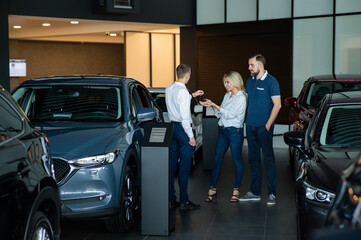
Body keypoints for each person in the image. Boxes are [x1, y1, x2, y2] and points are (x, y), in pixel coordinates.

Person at [238, 54, 281, 205]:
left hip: (264, 127)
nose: (249, 68)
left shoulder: (271, 81)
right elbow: (248, 102)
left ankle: (272, 193)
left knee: (268, 159)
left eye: (251, 65)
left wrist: (268, 124)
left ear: (260, 66)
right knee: (253, 159)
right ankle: (255, 192)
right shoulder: (250, 82)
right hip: (250, 126)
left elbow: (277, 105)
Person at [200, 71, 247, 202]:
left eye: (228, 82)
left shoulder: (241, 97)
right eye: (225, 82)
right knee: (217, 159)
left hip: (234, 132)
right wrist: (211, 106)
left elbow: (230, 114)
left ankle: (236, 189)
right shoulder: (227, 96)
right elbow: (220, 114)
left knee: (237, 160)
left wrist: (215, 105)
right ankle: (212, 188)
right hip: (223, 131)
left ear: (235, 81)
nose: (225, 84)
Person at [165, 63, 204, 210]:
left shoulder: (169, 89)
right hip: (182, 129)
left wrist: (192, 95)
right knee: (184, 168)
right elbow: (185, 117)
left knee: (171, 166)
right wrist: (191, 136)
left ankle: (171, 198)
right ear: (187, 75)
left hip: (172, 128)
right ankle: (184, 201)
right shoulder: (183, 92)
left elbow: (177, 100)